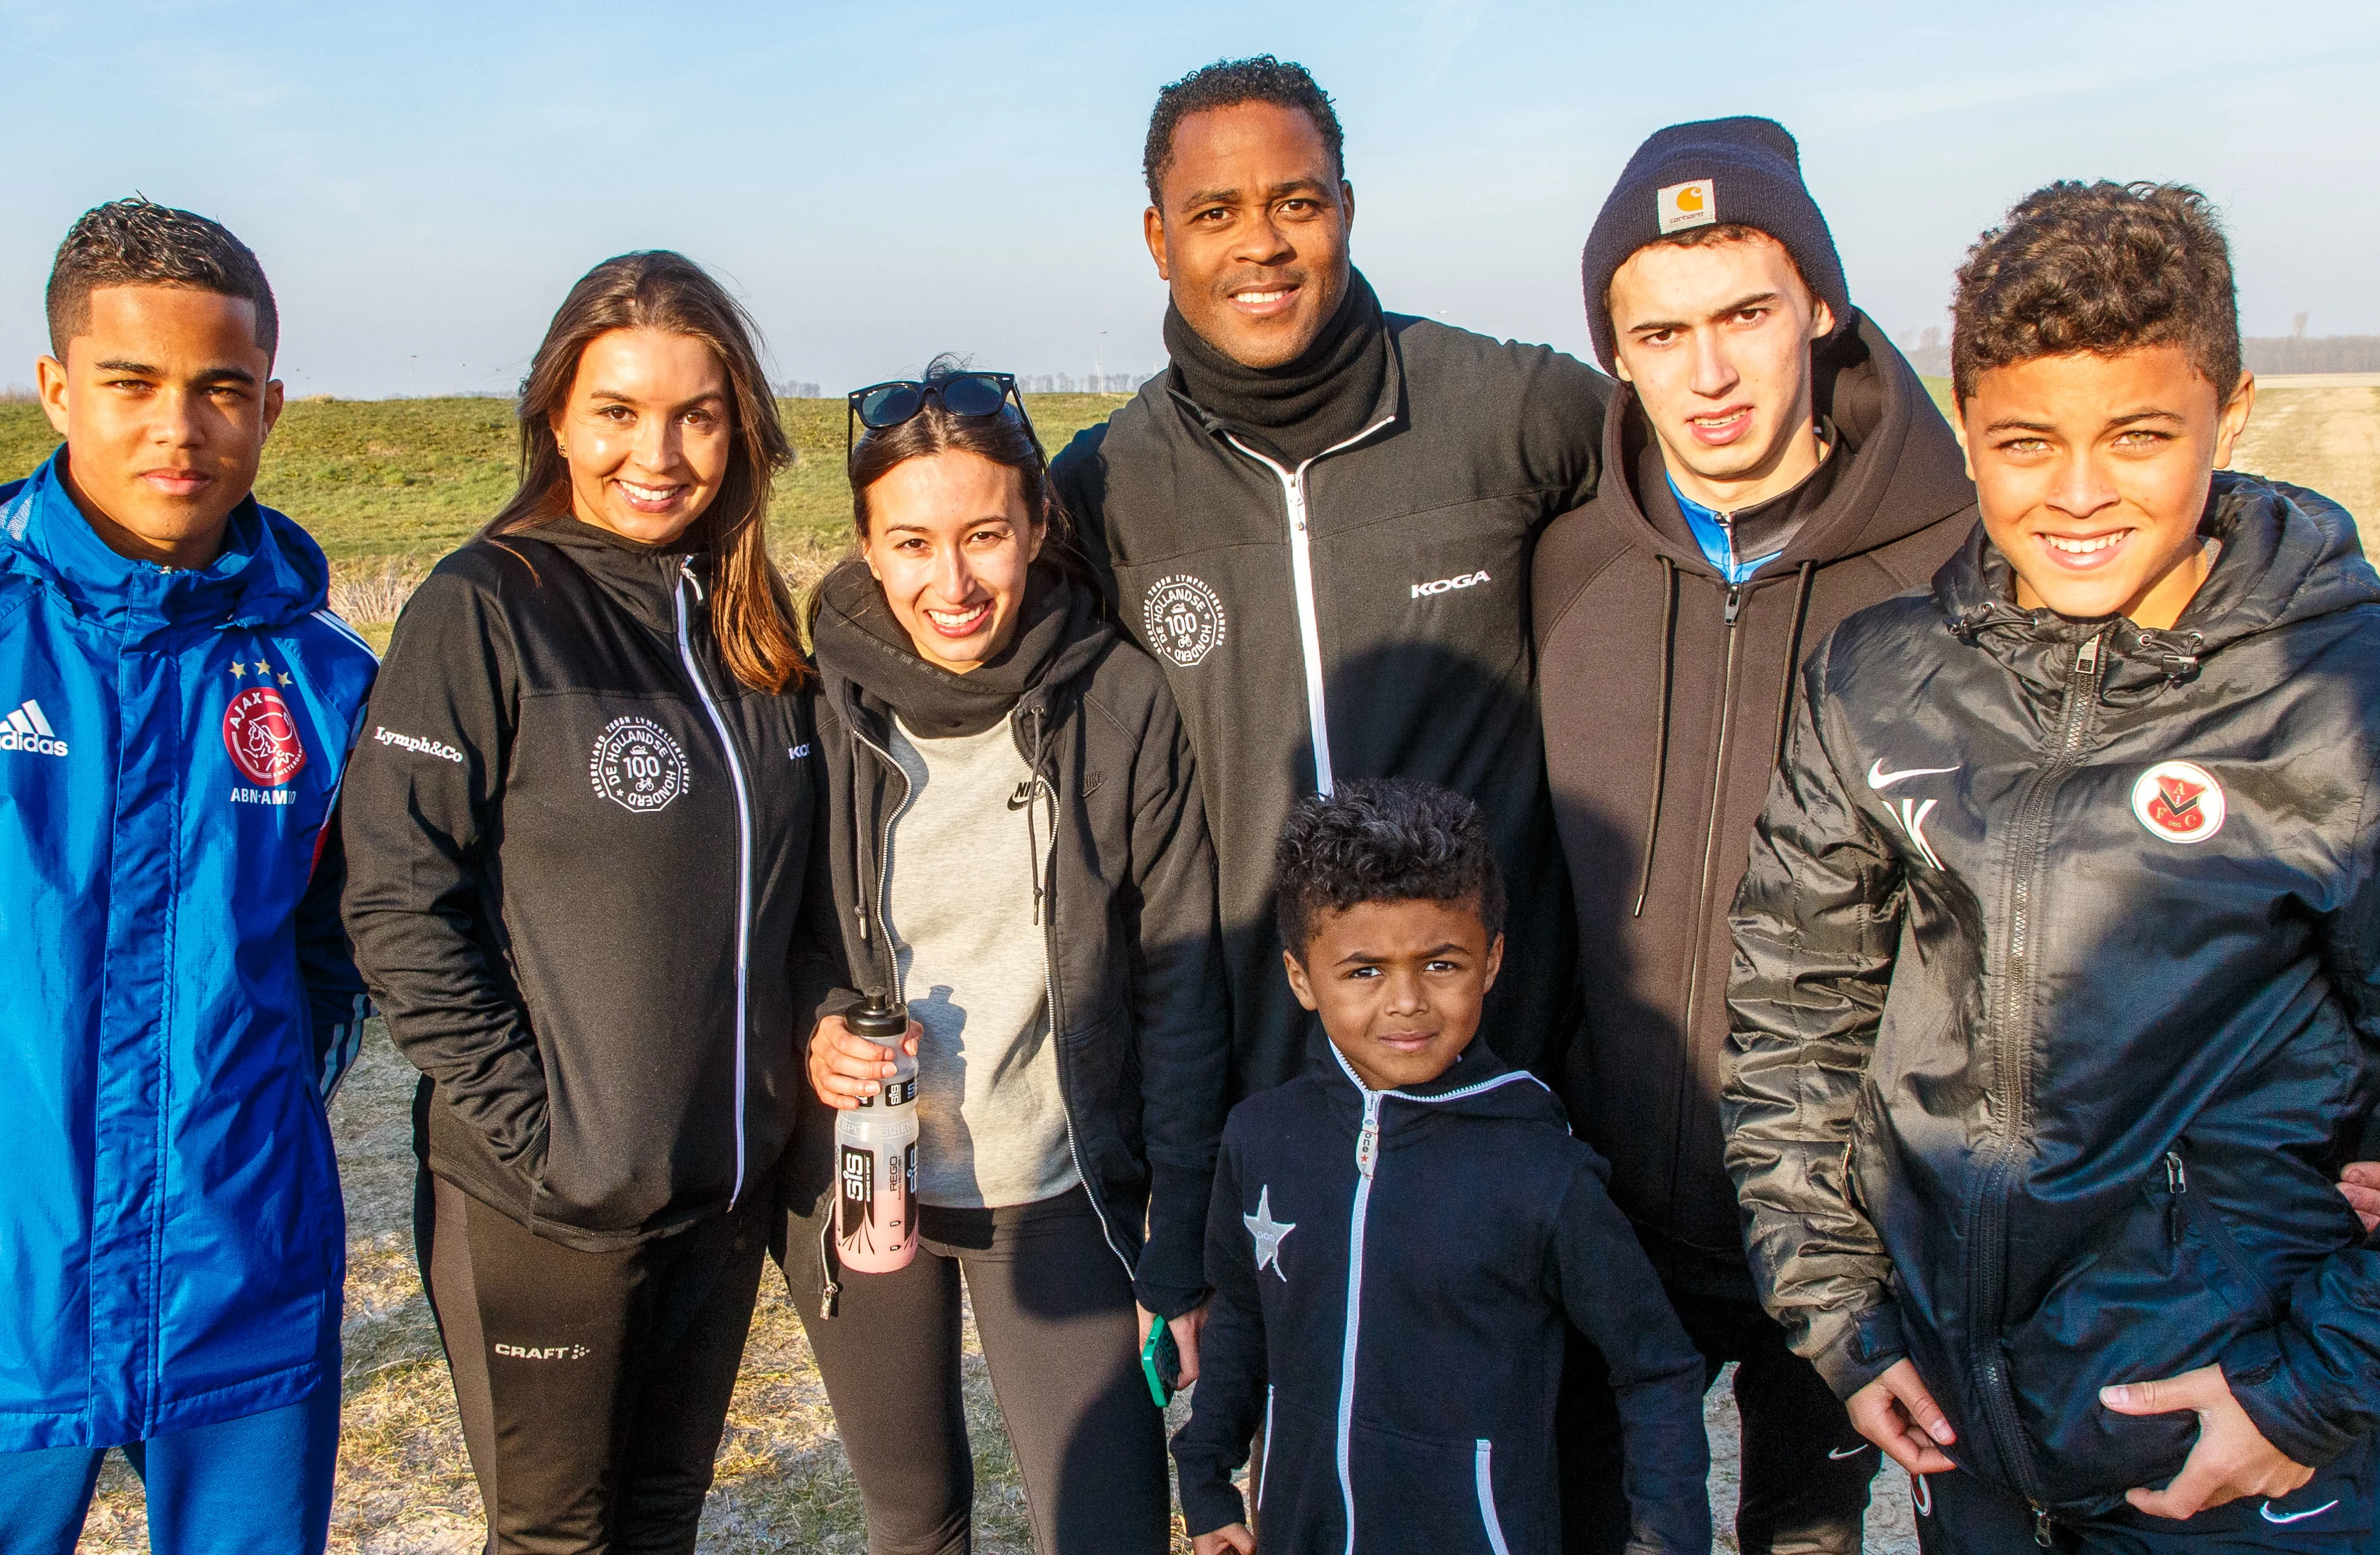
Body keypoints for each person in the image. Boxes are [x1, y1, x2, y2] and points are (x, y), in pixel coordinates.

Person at [1723, 180, 2380, 1553]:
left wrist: (2308, 1388)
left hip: (2226, 1446)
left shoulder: (2358, 700)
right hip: (1963, 1431)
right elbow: (1796, 1011)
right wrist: (1846, 1320)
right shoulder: (1883, 679)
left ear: (2234, 407)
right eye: (2027, 441)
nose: (2081, 491)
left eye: (2141, 435)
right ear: (1966, 430)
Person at [340, 251, 840, 1552]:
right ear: (555, 412)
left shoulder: (752, 630)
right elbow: (398, 905)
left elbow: (782, 905)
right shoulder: (486, 605)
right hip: (546, 1208)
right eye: (617, 409)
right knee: (559, 1534)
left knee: (664, 1518)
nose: (657, 451)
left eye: (697, 413)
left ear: (742, 428)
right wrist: (551, 1139)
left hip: (723, 1193)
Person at [1531, 117, 1977, 1554]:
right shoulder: (1572, 563)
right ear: (1615, 349)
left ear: (1822, 310)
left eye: (1744, 316)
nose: (1706, 372)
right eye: (1659, 332)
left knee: (1807, 1537)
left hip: (1845, 1222)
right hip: (1607, 1202)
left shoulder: (1955, 572)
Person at [1051, 55, 1609, 1096]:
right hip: (1248, 1100)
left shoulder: (1512, 409)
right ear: (1157, 237)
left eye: (1295, 203)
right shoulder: (1104, 487)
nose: (1262, 243)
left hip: (1502, 1080)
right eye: (1215, 213)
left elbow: (1725, 469)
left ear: (1347, 208)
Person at [0, 198, 377, 1555]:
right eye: (131, 384)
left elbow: (333, 955)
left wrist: (246, 1123)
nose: (176, 428)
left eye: (217, 389)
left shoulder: (324, 679)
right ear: (55, 386)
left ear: (270, 401)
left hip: (238, 1283)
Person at [780, 360, 1229, 1555]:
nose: (953, 580)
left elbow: (1182, 988)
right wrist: (816, 1019)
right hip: (871, 1186)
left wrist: (1175, 1248)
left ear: (1037, 522)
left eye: (985, 534)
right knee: (914, 1521)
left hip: (1060, 1187)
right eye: (913, 542)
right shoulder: (809, 703)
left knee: (1111, 1527)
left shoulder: (1119, 701)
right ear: (869, 550)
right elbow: (774, 931)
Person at [1172, 778, 1710, 1555]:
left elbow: (1656, 1364)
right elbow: (1245, 1315)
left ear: (1491, 962)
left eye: (1442, 964)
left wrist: (1666, 1537)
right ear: (1301, 978)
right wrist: (1207, 1472)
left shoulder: (1541, 1171)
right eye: (1363, 971)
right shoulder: (1261, 1137)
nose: (1406, 1003)